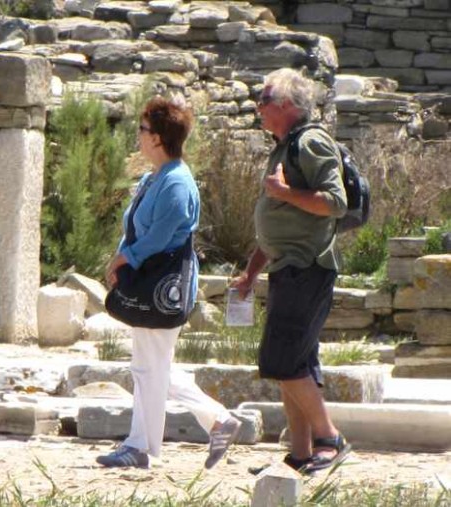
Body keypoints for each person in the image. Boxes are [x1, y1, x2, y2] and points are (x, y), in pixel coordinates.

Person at [96, 96, 241, 469]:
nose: (139, 136)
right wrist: (120, 257)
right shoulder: (154, 178)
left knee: (149, 368)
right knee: (154, 367)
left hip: (163, 285)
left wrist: (127, 258)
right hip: (147, 280)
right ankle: (216, 420)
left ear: (159, 137)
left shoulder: (177, 182)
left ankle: (141, 447)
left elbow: (161, 236)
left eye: (144, 130)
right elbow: (134, 228)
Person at [232, 68, 352, 474]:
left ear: (285, 105)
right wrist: (251, 274)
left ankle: (329, 438)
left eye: (263, 100)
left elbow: (335, 202)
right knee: (294, 364)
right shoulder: (284, 147)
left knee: (281, 361)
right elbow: (276, 226)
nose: (258, 108)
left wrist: (284, 193)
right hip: (289, 268)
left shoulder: (312, 142)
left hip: (308, 268)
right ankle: (300, 454)